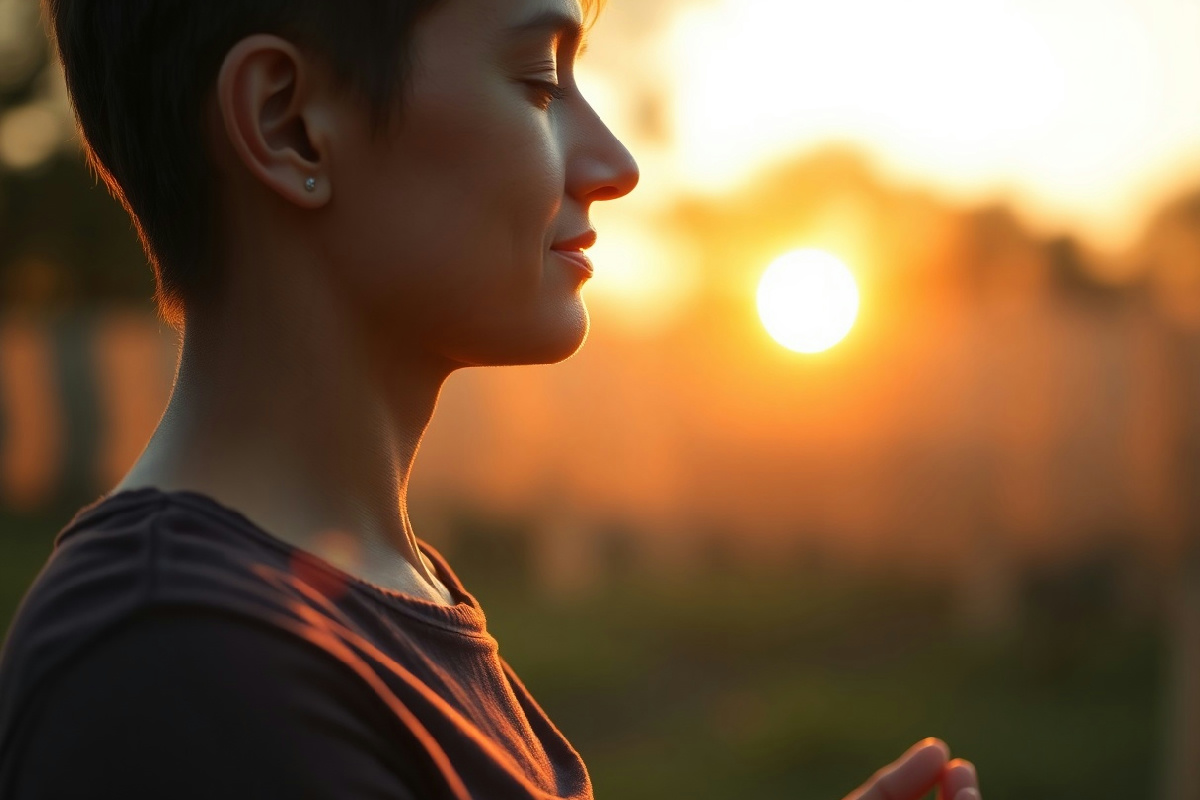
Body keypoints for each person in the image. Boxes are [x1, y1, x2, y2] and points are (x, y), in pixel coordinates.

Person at [0, 0, 983, 797]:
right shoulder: (179, 662)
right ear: (288, 121)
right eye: (540, 82)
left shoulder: (380, 595)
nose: (613, 165)